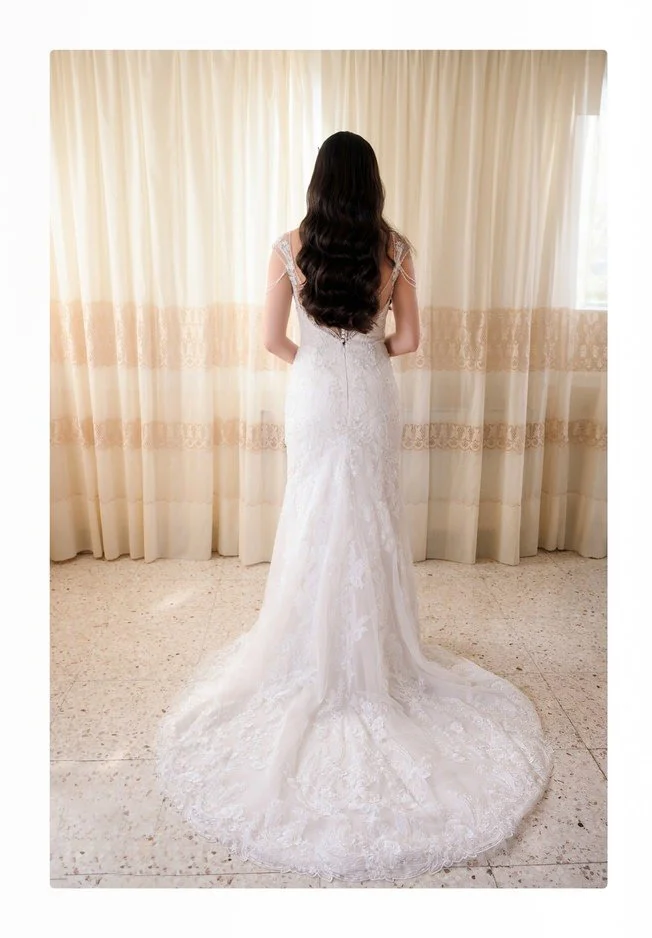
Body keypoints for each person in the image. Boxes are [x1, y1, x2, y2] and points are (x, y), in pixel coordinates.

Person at [155, 130, 549, 882]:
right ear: (372, 184)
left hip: (314, 395)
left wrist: (321, 358)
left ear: (317, 182)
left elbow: (271, 340)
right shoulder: (395, 247)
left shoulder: (287, 244)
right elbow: (409, 343)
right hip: (367, 389)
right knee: (367, 519)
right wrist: (360, 350)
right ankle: (375, 661)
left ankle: (308, 651)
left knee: (312, 517)